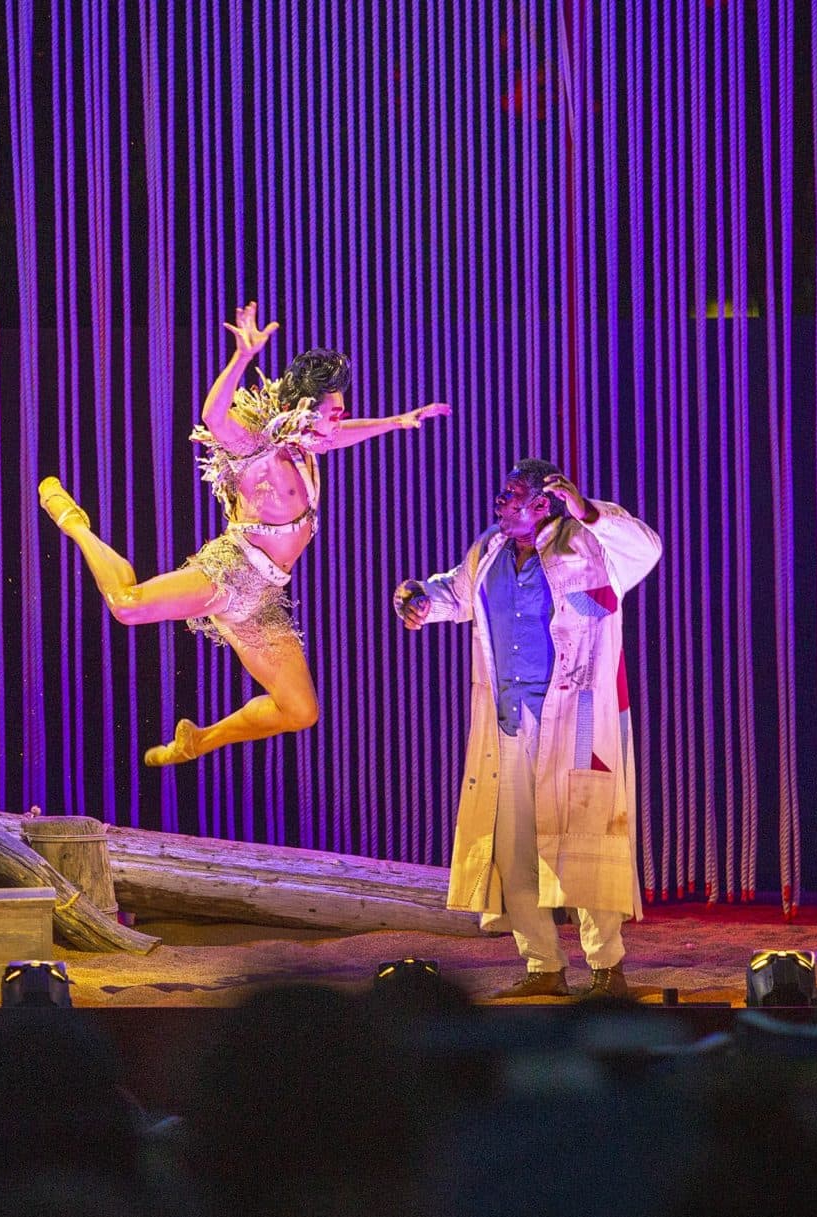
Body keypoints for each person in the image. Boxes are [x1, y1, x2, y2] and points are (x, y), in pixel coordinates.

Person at [40, 301, 450, 766]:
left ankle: (200, 740)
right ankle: (75, 525)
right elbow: (214, 418)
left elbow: (336, 435)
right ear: (301, 410)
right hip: (229, 575)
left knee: (301, 710)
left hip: (264, 598)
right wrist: (241, 358)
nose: (340, 419)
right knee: (127, 607)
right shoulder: (256, 450)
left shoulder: (307, 442)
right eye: (333, 411)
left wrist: (396, 422)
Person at [394, 458, 660, 998]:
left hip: (577, 716)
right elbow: (458, 592)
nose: (500, 504)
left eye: (512, 496)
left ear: (544, 503)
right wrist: (420, 598)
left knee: (585, 838)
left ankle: (607, 968)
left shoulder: (588, 544)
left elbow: (646, 548)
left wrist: (588, 511)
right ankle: (543, 966)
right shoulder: (491, 547)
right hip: (512, 721)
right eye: (502, 494)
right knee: (514, 846)